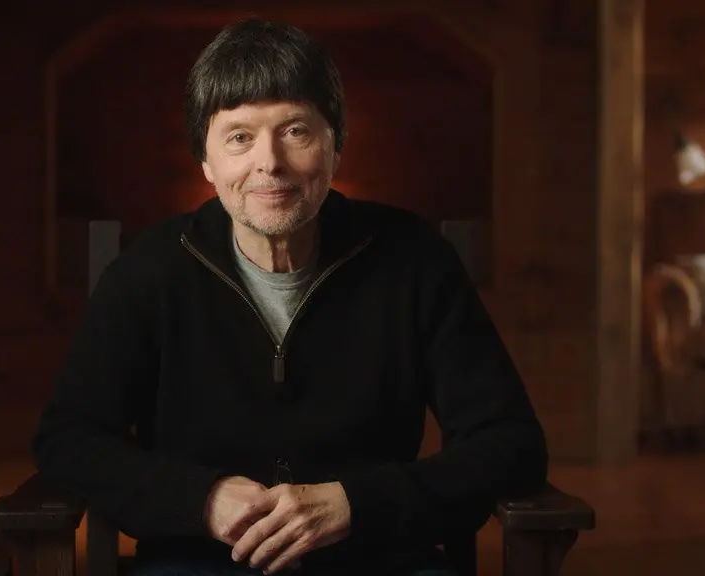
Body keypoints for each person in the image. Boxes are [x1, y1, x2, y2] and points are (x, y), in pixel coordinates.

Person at [32, 17, 548, 576]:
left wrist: (356, 504)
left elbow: (511, 444)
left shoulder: (416, 261)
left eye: (296, 130)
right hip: (196, 560)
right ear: (206, 162)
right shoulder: (149, 271)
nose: (270, 162)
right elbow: (68, 439)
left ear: (336, 146)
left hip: (379, 558)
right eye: (239, 137)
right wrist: (202, 498)